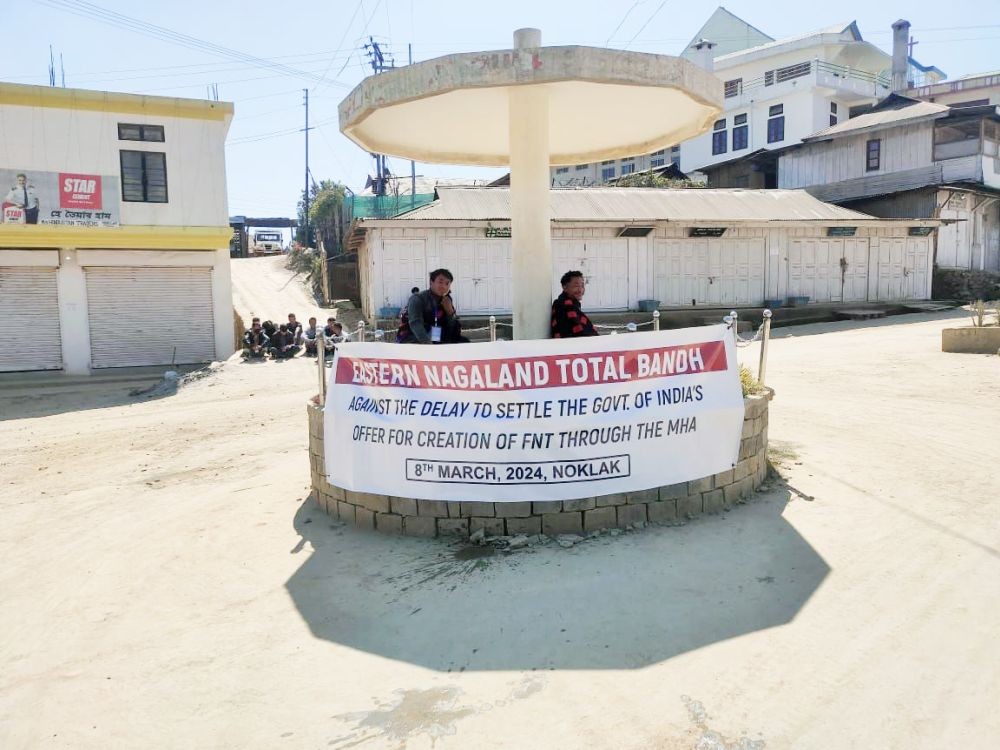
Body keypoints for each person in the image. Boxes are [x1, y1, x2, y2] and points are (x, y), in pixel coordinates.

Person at [397, 268, 467, 344]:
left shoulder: (446, 300)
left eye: (447, 284)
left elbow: (454, 330)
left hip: (434, 336)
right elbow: (415, 324)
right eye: (440, 282)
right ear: (431, 282)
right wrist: (429, 346)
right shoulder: (418, 299)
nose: (444, 286)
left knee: (464, 342)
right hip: (411, 337)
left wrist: (450, 312)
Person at [551, 270, 598, 338]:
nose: (580, 290)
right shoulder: (564, 305)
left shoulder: (571, 303)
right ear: (565, 287)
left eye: (582, 286)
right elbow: (578, 332)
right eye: (576, 286)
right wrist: (592, 330)